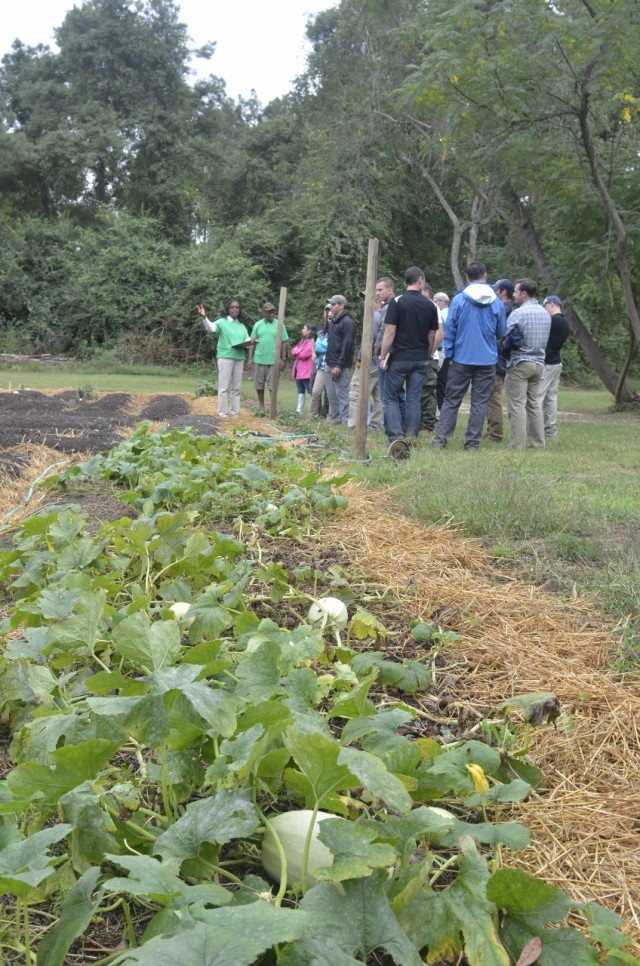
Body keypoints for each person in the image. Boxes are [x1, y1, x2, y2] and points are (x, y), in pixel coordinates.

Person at [432, 261, 506, 451]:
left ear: (467, 277)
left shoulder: (459, 299)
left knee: (451, 399)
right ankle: (472, 443)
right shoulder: (497, 302)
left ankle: (440, 439)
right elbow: (500, 332)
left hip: (461, 357)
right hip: (487, 359)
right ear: (485, 275)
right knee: (480, 402)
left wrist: (450, 353)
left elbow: (450, 329)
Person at [379, 266, 439, 460]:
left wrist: (383, 355)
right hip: (420, 358)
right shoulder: (430, 305)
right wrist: (428, 354)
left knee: (390, 397)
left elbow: (390, 331)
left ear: (406, 281)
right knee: (414, 398)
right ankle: (411, 437)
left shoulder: (398, 302)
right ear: (421, 280)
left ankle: (396, 437)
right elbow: (432, 334)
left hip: (400, 358)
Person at [504, 278, 551, 448]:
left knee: (517, 404)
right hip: (539, 364)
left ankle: (518, 444)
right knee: (533, 404)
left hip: (520, 363)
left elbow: (503, 333)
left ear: (523, 294)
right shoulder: (545, 313)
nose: (513, 294)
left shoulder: (519, 313)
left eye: (516, 292)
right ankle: (538, 443)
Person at [196, 300, 254, 418]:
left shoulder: (241, 326)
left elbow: (247, 341)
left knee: (236, 388)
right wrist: (204, 317)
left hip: (239, 358)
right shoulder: (222, 322)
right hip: (225, 357)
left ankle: (234, 413)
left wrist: (251, 341)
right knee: (223, 387)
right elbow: (211, 328)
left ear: (239, 310)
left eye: (237, 307)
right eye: (232, 307)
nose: (234, 309)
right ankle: (223, 414)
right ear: (228, 309)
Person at [485, 280, 515, 442]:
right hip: (499, 359)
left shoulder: (505, 310)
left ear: (503, 292)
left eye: (496, 291)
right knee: (490, 395)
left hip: (498, 359)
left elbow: (500, 335)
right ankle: (490, 429)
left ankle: (496, 434)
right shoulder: (511, 309)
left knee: (493, 396)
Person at [347, 298, 383, 431]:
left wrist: (361, 358)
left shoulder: (373, 317)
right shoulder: (380, 315)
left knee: (356, 389)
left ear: (377, 302)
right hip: (377, 359)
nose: (364, 302)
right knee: (377, 394)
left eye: (369, 299)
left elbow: (370, 339)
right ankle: (376, 424)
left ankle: (355, 425)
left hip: (369, 360)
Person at [248, 302, 289, 411]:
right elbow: (252, 342)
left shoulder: (280, 325)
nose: (271, 314)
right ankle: (261, 406)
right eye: (269, 311)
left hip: (273, 360)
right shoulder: (257, 324)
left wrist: (284, 359)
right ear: (264, 312)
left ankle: (272, 407)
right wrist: (250, 358)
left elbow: (284, 342)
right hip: (259, 359)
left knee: (273, 386)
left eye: (273, 311)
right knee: (259, 384)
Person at [539, 295, 570, 438]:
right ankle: (550, 430)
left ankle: (536, 429)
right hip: (557, 363)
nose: (545, 310)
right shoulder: (564, 323)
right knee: (551, 398)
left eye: (545, 306)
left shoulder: (552, 321)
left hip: (547, 363)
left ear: (551, 304)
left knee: (537, 397)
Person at [324, 295, 356, 424]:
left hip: (340, 365)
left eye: (333, 304)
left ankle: (345, 420)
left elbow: (347, 345)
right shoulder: (333, 322)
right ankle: (336, 418)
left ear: (341, 305)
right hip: (329, 362)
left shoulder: (348, 322)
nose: (331, 307)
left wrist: (339, 365)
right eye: (330, 304)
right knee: (331, 394)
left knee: (342, 394)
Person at [419, 285, 444, 433]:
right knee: (417, 391)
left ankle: (428, 425)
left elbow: (440, 333)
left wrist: (430, 352)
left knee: (428, 391)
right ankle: (420, 422)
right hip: (418, 355)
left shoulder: (432, 306)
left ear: (427, 292)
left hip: (429, 356)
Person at [309, 306, 331, 418]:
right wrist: (316, 350)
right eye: (326, 311)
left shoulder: (337, 327)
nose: (328, 313)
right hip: (320, 364)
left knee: (329, 394)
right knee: (316, 391)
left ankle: (325, 415)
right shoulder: (321, 327)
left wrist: (323, 346)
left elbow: (332, 346)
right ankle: (312, 415)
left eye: (330, 310)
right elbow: (317, 345)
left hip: (331, 365)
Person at [291, 324, 316, 414]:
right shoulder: (302, 341)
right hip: (298, 371)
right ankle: (299, 411)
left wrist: (299, 350)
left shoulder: (311, 342)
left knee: (311, 391)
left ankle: (313, 411)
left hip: (306, 372)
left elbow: (304, 354)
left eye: (304, 328)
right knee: (300, 391)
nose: (302, 330)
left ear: (309, 331)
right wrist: (299, 350)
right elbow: (293, 351)